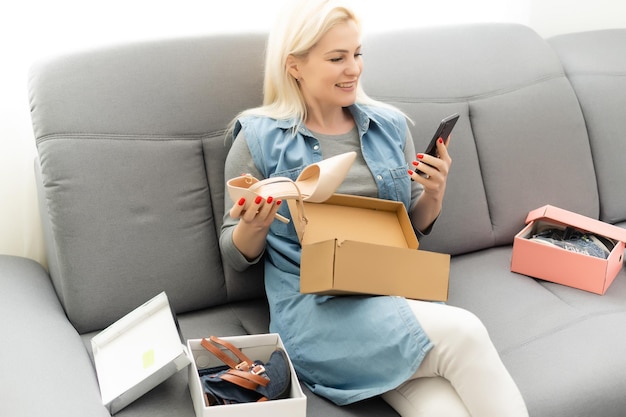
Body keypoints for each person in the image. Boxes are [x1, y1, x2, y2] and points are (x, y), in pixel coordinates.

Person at [219, 1, 529, 416]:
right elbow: (233, 253)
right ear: (295, 66)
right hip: (317, 313)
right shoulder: (257, 138)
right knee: (466, 332)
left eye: (357, 54)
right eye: (337, 58)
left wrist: (433, 194)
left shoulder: (389, 126)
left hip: (392, 291)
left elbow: (407, 231)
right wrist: (253, 227)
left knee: (442, 409)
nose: (354, 68)